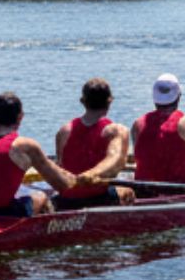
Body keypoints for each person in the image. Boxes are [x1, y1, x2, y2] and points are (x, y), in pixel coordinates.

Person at [0, 91, 79, 216]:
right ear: (20, 116)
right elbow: (61, 184)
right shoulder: (25, 146)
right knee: (42, 196)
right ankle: (49, 233)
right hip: (4, 215)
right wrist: (78, 180)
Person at [48, 78, 136, 207]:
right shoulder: (116, 131)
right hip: (98, 199)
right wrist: (91, 174)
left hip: (66, 200)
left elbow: (61, 164)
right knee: (127, 191)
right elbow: (115, 161)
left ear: (82, 102)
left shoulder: (64, 131)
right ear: (110, 101)